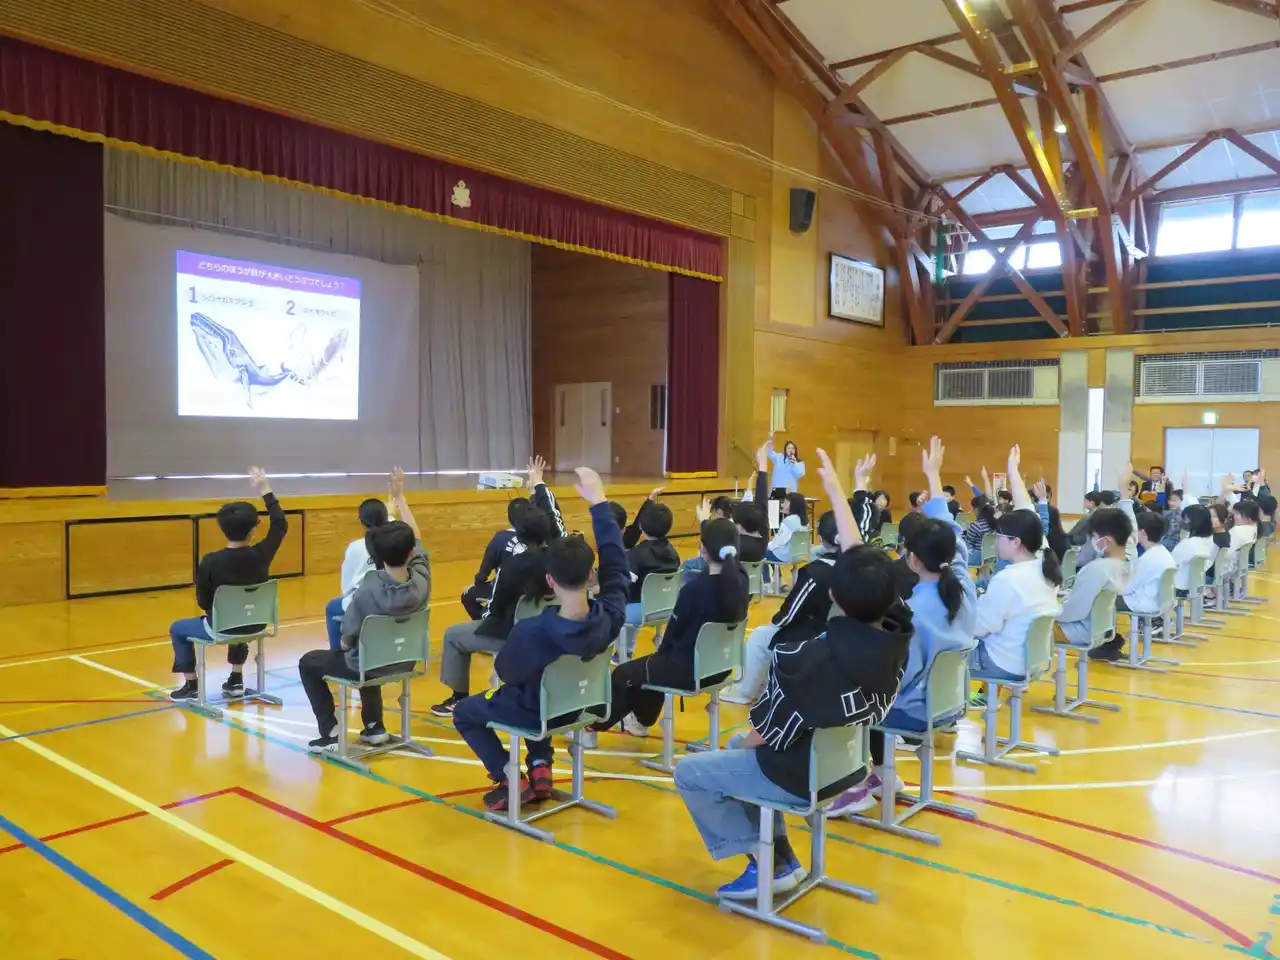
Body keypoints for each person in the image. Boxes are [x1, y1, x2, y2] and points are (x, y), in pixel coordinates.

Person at [672, 448, 911, 900]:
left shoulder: (806, 659)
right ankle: (782, 858)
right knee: (733, 749)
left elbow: (764, 735)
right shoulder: (895, 635)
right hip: (848, 765)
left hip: (801, 775)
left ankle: (764, 860)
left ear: (833, 593)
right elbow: (865, 563)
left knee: (692, 771)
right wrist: (839, 490)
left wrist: (741, 750)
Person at [452, 467, 627, 809]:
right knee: (533, 689)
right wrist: (599, 503)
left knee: (467, 712)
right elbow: (618, 567)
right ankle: (540, 765)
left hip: (539, 713)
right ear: (592, 575)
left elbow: (506, 671)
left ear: (550, 581)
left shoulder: (532, 631)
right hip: (582, 707)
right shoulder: (611, 616)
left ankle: (509, 776)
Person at [829, 436, 977, 815]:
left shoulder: (913, 612)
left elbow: (897, 678)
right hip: (951, 700)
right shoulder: (964, 586)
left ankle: (856, 784)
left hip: (917, 707)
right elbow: (951, 533)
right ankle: (883, 775)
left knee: (855, 696)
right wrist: (933, 475)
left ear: (910, 558)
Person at [593, 517, 749, 738]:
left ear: (703, 550)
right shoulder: (741, 581)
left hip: (689, 670)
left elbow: (673, 634)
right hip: (720, 667)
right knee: (649, 669)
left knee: (624, 674)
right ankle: (639, 722)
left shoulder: (694, 589)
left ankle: (594, 727)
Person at [430, 457, 560, 717]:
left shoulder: (511, 567)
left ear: (517, 532)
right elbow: (555, 515)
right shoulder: (561, 556)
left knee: (453, 635)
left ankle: (458, 698)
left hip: (514, 636)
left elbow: (495, 610)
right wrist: (538, 484)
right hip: (551, 632)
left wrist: (484, 622)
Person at [300, 487, 428, 752]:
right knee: (369, 654)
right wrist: (401, 499)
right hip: (407, 660)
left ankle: (331, 733)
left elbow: (348, 639)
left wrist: (345, 644)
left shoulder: (367, 590)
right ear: (411, 553)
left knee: (312, 662)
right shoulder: (422, 580)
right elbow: (417, 538)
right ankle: (374, 726)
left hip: (371, 664)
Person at [168, 467, 288, 702]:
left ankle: (191, 684)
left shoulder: (210, 561)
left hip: (223, 626)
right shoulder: (262, 554)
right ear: (253, 531)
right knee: (241, 612)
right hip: (258, 623)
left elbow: (203, 601)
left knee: (178, 628)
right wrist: (264, 488)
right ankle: (236, 680)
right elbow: (280, 524)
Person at [968, 446, 1061, 701]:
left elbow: (978, 628)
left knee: (940, 647)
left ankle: (947, 709)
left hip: (1003, 662)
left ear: (1016, 541)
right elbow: (1027, 511)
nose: (996, 541)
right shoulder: (1044, 561)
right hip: (1032, 658)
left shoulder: (1008, 579)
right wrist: (1013, 471)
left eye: (1000, 536)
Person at [721, 510, 838, 705]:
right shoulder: (855, 565)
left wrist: (778, 620)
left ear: (819, 538)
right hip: (841, 633)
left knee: (761, 636)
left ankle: (743, 691)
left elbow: (788, 615)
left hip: (816, 636)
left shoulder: (816, 572)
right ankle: (763, 686)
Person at [1108, 508, 1176, 657]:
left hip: (1143, 602)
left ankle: (1107, 644)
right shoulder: (1162, 552)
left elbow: (1126, 589)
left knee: (1103, 600)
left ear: (1143, 532)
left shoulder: (1148, 559)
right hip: (1158, 600)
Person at [323, 497, 389, 650]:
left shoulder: (355, 547)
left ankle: (337, 653)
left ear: (362, 521)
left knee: (332, 607)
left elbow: (346, 588)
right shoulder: (396, 541)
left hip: (363, 604)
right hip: (389, 600)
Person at [620, 489, 681, 641]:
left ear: (641, 526)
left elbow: (623, 585)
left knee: (613, 605)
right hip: (667, 607)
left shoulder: (636, 554)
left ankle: (624, 649)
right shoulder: (674, 553)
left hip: (642, 611)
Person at [460, 497, 530, 621]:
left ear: (509, 517)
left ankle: (486, 623)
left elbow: (483, 572)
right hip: (532, 591)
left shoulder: (500, 538)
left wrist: (477, 585)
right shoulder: (539, 536)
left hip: (503, 591)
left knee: (467, 596)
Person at [764, 490, 810, 590]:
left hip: (786, 555)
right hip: (798, 554)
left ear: (792, 504)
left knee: (761, 554)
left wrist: (767, 547)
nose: (782, 504)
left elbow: (779, 542)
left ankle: (767, 584)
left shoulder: (789, 520)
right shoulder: (805, 521)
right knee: (770, 552)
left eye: (785, 502)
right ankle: (780, 581)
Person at [1171, 503, 1215, 600]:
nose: (1182, 521)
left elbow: (1172, 563)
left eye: (1185, 519)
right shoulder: (1211, 540)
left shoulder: (1188, 544)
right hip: (1194, 583)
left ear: (1195, 521)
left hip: (1178, 585)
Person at [962, 495, 997, 566]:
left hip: (978, 557)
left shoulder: (976, 525)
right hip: (993, 556)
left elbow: (968, 544)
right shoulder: (996, 522)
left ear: (977, 509)